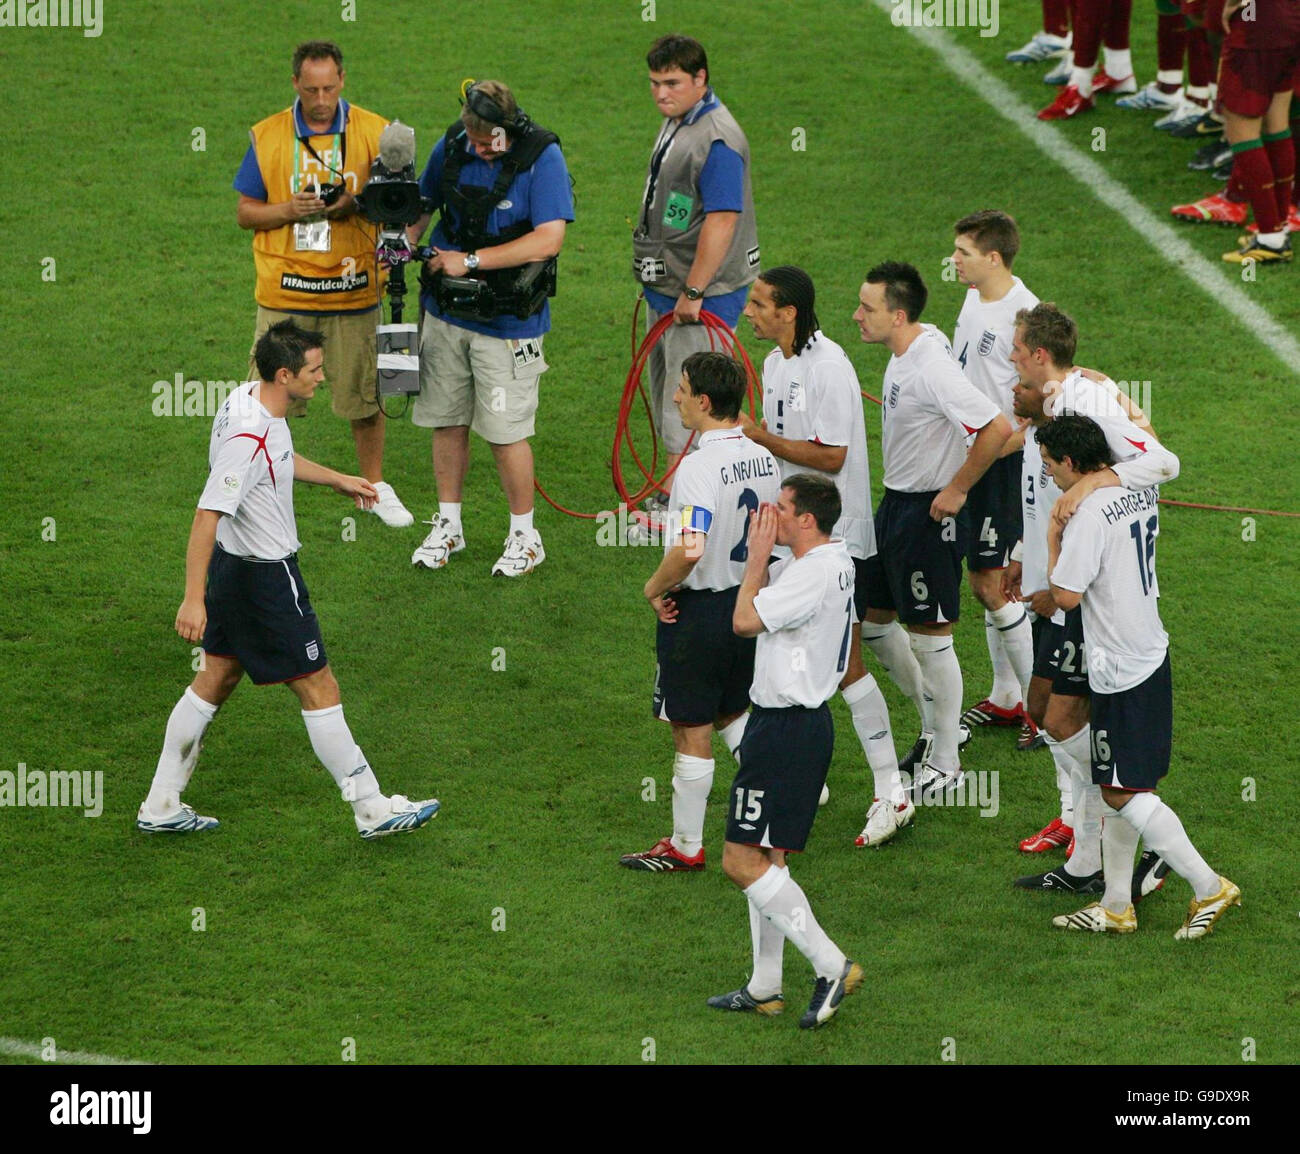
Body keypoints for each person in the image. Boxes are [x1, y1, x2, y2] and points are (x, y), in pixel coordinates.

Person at [136, 321, 439, 839]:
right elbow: (207, 514)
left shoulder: (250, 401)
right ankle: (371, 807)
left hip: (236, 572)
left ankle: (161, 802)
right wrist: (191, 600)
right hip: (265, 580)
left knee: (216, 679)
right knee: (318, 684)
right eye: (315, 370)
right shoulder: (247, 435)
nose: (323, 377)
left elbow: (275, 458)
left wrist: (339, 480)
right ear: (285, 373)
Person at [1039, 416, 1240, 939]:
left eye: (1050, 467)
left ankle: (1209, 885)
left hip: (1120, 666)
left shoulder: (1086, 515)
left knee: (1124, 793)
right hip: (1146, 648)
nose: (1049, 478)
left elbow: (1065, 596)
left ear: (1071, 463)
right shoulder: (1136, 483)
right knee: (1116, 785)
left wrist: (1054, 534)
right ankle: (1116, 904)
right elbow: (1160, 458)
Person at [1006, 303, 1178, 901]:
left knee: (1059, 719)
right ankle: (1087, 858)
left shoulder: (1089, 402)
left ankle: (1146, 833)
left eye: (1016, 350)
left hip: (1084, 596)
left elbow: (1162, 460)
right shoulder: (1055, 404)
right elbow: (1041, 495)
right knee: (1058, 722)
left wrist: (1100, 480)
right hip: (1055, 584)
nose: (1010, 359)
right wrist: (1026, 558)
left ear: (1039, 354)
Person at [738, 266, 908, 848]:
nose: (748, 312)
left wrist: (761, 439)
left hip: (837, 540)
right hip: (798, 535)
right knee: (806, 659)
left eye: (759, 304)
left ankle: (892, 791)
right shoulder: (775, 363)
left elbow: (831, 457)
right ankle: (810, 776)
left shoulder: (828, 367)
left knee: (845, 665)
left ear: (788, 312)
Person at [233, 40, 413, 529]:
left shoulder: (376, 132)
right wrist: (289, 210)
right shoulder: (267, 136)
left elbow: (400, 201)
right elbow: (246, 212)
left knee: (365, 396)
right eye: (310, 89)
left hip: (352, 292)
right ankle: (251, 483)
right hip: (285, 293)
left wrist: (352, 204)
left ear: (342, 81)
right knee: (267, 398)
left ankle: (374, 487)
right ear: (295, 83)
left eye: (329, 88)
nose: (320, 99)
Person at [708, 476, 863, 1028]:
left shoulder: (814, 571)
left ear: (805, 521)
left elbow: (745, 620)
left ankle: (831, 965)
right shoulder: (831, 560)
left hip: (783, 732)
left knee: (739, 860)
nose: (771, 512)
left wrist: (754, 560)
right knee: (769, 857)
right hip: (799, 726)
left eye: (782, 507)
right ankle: (765, 985)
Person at [853, 262, 1013, 799]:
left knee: (931, 636)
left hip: (929, 515)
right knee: (873, 623)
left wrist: (959, 488)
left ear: (898, 315)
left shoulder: (929, 368)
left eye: (867, 308)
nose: (857, 316)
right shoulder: (912, 350)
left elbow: (996, 427)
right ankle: (938, 724)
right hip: (895, 506)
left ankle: (946, 758)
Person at [405, 79, 574, 576]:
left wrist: (471, 260)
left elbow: (549, 239)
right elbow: (424, 205)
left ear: (509, 128)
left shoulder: (542, 158)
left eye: (487, 143)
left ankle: (526, 536)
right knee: (447, 418)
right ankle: (449, 526)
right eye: (472, 140)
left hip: (509, 322)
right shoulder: (454, 144)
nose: (478, 149)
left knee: (505, 432)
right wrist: (401, 239)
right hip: (446, 313)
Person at [619, 352, 780, 872]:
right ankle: (782, 790)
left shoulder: (697, 467)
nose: (675, 397)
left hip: (702, 614)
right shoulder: (764, 458)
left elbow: (690, 549)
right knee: (732, 708)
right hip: (749, 606)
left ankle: (685, 846)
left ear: (705, 402)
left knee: (690, 727)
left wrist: (652, 587)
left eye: (683, 388)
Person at [632, 34, 760, 499]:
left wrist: (693, 290)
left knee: (692, 402)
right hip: (670, 288)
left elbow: (724, 220)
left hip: (699, 295)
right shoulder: (681, 119)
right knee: (671, 392)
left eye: (672, 82)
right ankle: (672, 492)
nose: (661, 93)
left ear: (700, 79)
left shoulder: (718, 139)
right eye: (654, 83)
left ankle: (682, 504)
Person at [949, 212, 1040, 750]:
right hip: (974, 456)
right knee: (987, 578)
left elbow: (1034, 409)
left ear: (994, 258)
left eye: (962, 252)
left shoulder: (1023, 314)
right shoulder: (974, 297)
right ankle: (1007, 696)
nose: (954, 260)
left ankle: (1040, 710)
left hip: (1000, 465)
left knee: (990, 582)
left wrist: (977, 463)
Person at [1216, 0, 1299, 265]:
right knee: (1277, 123)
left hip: (1256, 23)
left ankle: (1269, 238)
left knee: (1241, 129)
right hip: (1291, 18)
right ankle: (1279, 227)